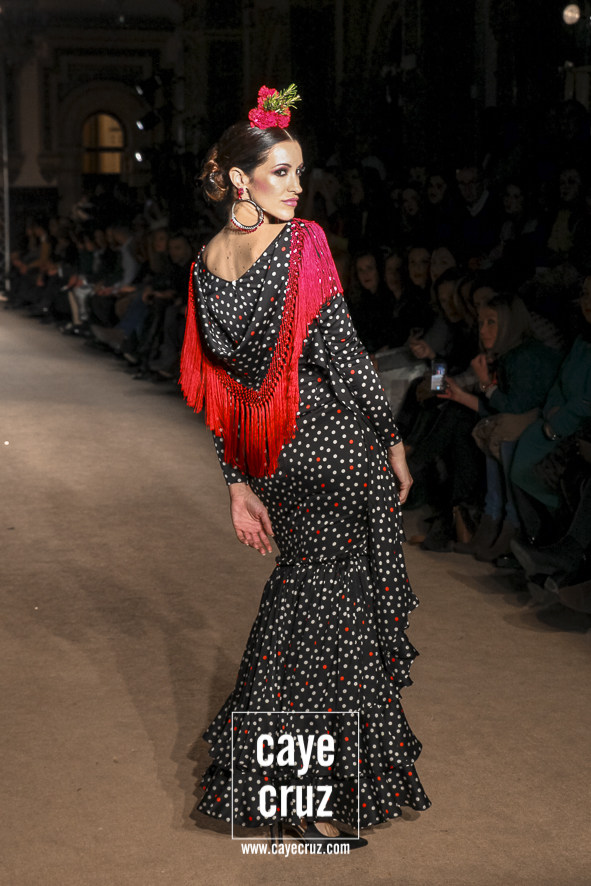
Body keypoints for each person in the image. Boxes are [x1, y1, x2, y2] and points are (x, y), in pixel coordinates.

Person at [180, 84, 430, 851]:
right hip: (332, 451)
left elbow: (219, 393)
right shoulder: (300, 244)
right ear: (238, 177)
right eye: (280, 171)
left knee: (312, 608)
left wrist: (237, 482)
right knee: (327, 620)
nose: (295, 186)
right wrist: (391, 438)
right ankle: (294, 789)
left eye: (298, 172)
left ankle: (288, 778)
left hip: (274, 463)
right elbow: (344, 358)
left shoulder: (204, 265)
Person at [443, 295, 562, 560]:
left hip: (549, 429)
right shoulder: (511, 355)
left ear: (510, 324)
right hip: (523, 422)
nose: (483, 329)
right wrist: (461, 396)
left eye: (492, 322)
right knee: (493, 428)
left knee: (503, 432)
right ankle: (492, 520)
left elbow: (513, 408)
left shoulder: (526, 355)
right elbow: (500, 410)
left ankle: (510, 526)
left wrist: (485, 382)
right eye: (481, 322)